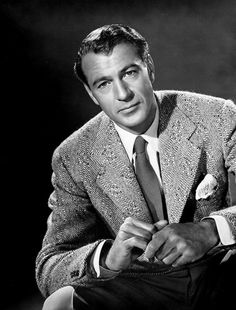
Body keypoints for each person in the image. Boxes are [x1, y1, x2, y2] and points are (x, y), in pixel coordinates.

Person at [36, 24, 236, 310]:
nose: (122, 94)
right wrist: (106, 257)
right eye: (103, 83)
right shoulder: (73, 156)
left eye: (129, 73)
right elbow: (50, 265)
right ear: (91, 93)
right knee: (59, 304)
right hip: (143, 283)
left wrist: (210, 230)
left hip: (221, 268)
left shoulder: (217, 115)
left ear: (149, 69)